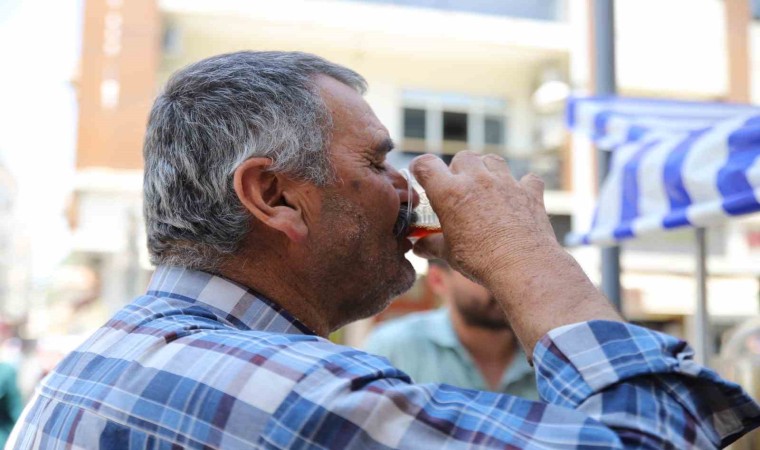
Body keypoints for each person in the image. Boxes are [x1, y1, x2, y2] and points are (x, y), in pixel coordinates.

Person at [8, 51, 760, 449]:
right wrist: (530, 256)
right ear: (273, 196)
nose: (405, 188)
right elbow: (657, 441)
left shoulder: (109, 353)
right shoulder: (286, 390)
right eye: (375, 163)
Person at [365, 259, 538, 399]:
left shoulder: (550, 353)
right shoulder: (395, 348)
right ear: (438, 280)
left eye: (514, 268)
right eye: (481, 271)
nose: (504, 283)